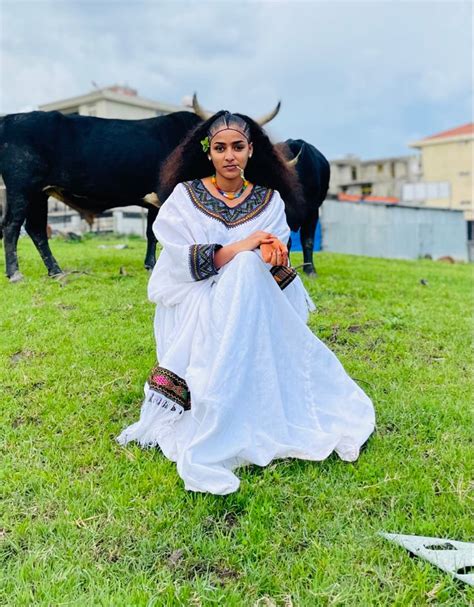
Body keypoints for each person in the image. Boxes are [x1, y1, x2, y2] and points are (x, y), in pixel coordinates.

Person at [116, 110, 375, 495]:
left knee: (247, 271)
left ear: (251, 150)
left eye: (238, 146)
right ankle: (218, 413)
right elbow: (184, 264)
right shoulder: (184, 199)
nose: (229, 156)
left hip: (251, 302)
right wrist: (244, 245)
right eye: (220, 148)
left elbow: (274, 269)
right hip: (197, 297)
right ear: (209, 153)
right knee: (241, 267)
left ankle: (248, 407)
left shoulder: (269, 201)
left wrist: (274, 256)